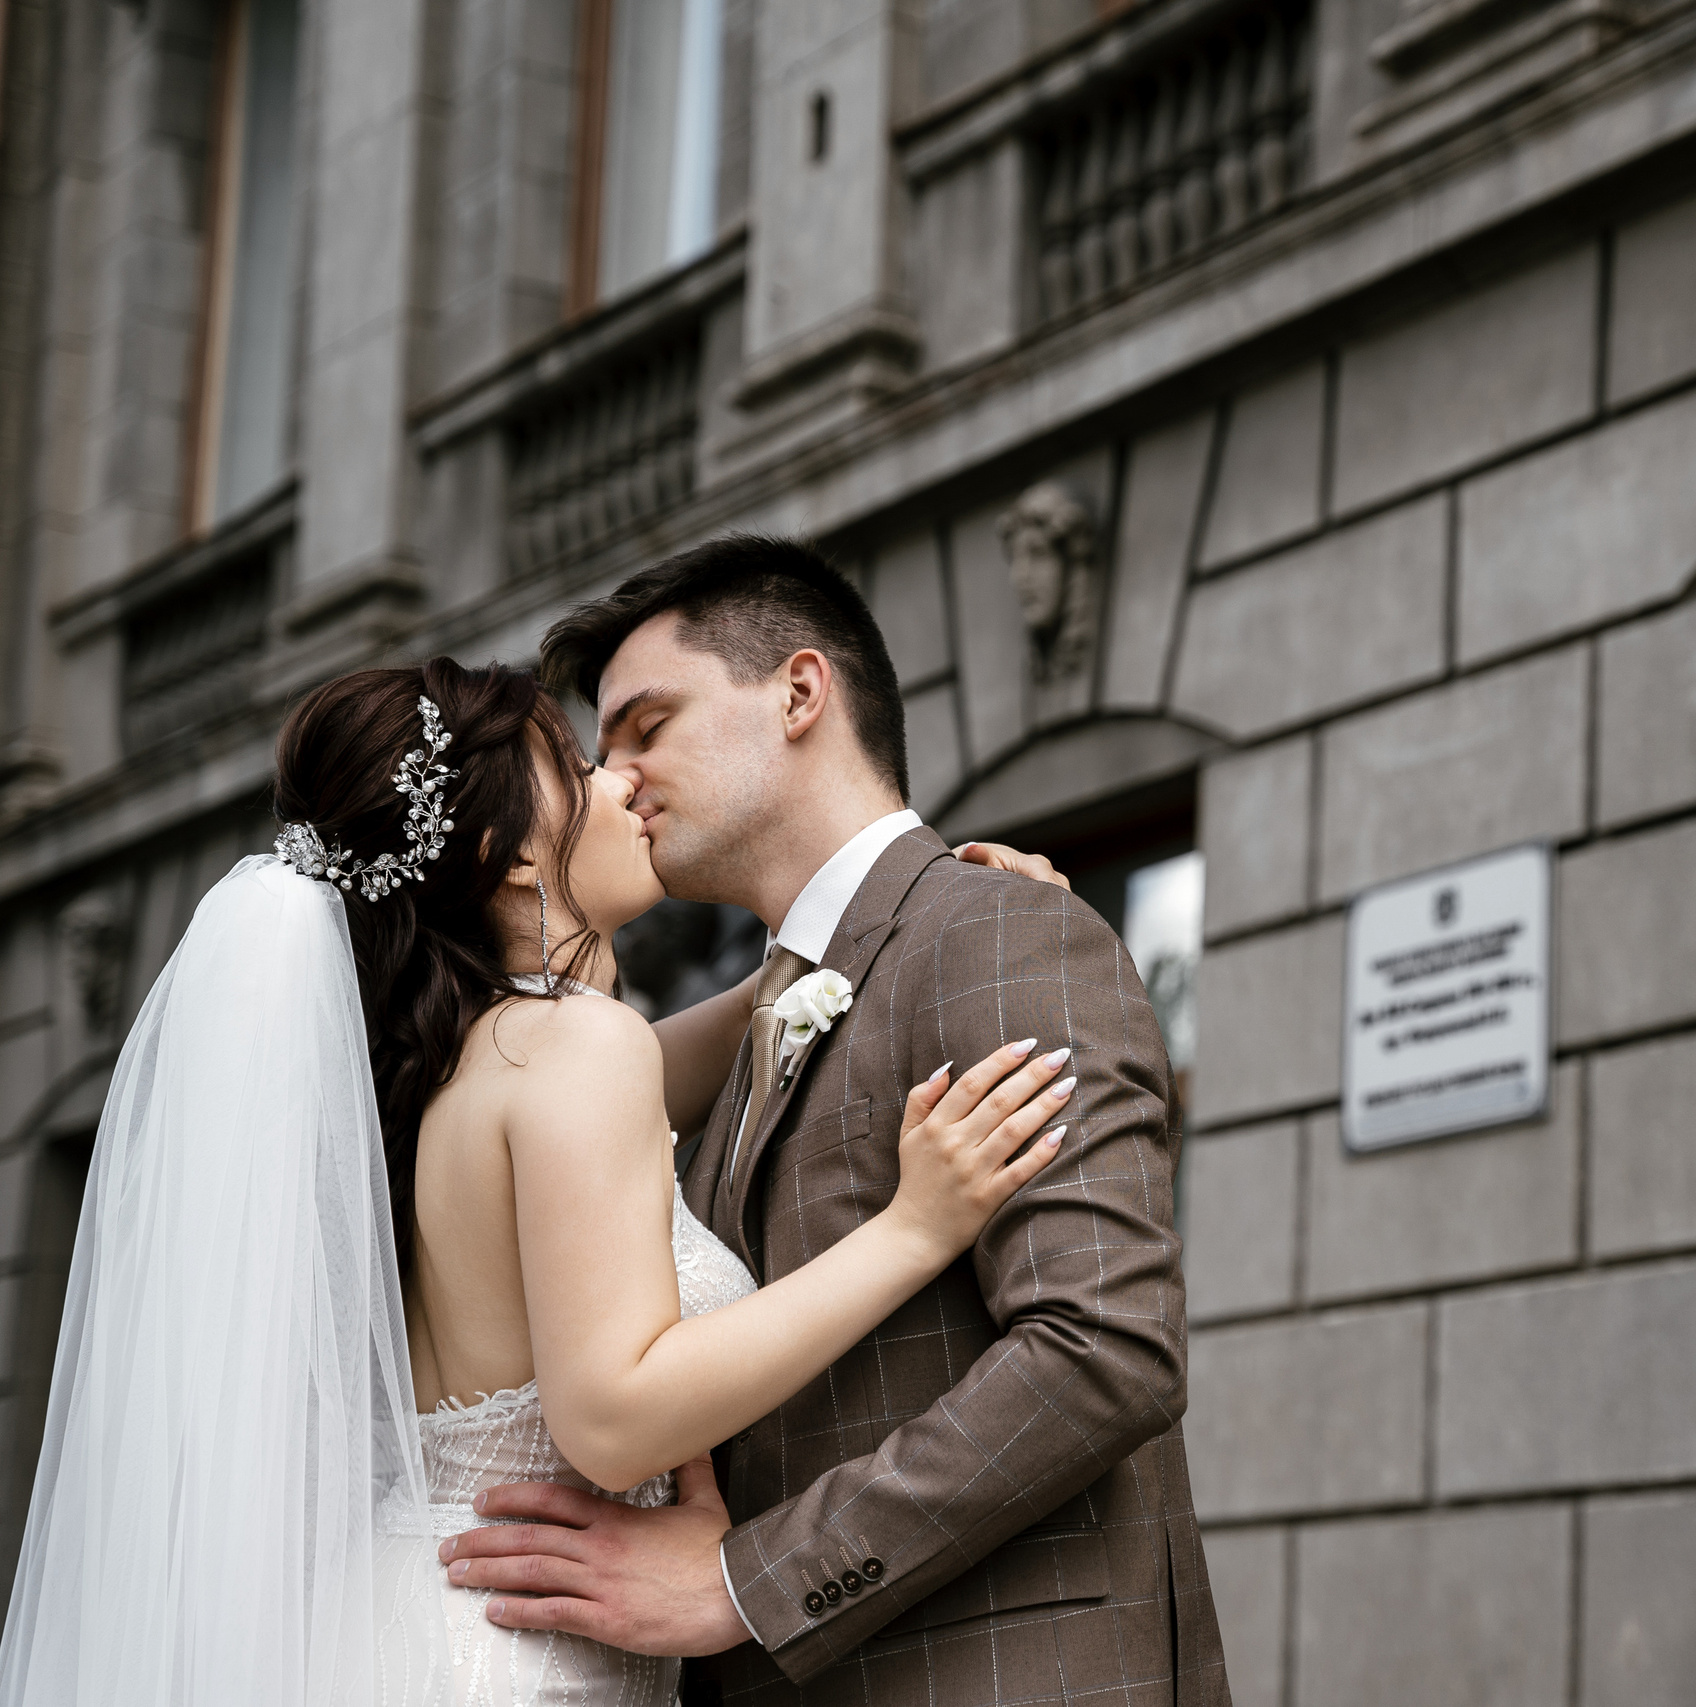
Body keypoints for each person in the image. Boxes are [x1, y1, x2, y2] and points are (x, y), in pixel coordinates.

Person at [0, 654, 1072, 1704]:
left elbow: (752, 1017)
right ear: (508, 852)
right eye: (578, 763)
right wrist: (916, 1227)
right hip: (507, 1663)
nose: (623, 783)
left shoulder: (461, 1064)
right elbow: (614, 1414)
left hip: (409, 1626)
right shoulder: (574, 1046)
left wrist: (913, 913)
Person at [439, 534, 1229, 1704]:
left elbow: (1103, 1348)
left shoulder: (1000, 932)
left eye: (646, 727)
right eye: (597, 756)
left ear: (801, 692)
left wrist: (745, 1585)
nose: (621, 781)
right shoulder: (741, 1014)